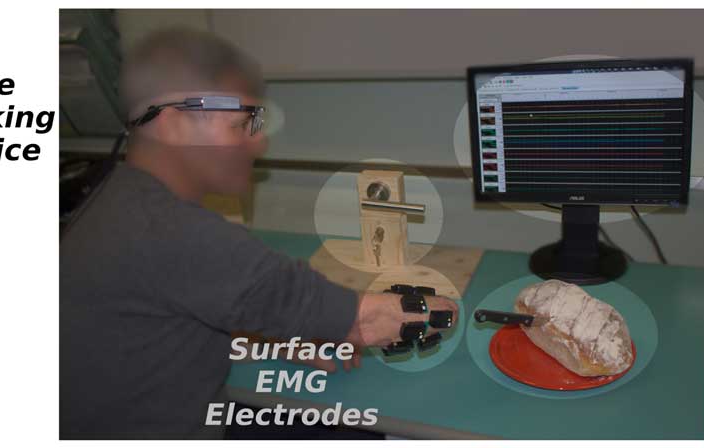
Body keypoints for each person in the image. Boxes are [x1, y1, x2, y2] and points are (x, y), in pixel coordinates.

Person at [60, 28, 458, 439]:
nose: (260, 142)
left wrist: (281, 341)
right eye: (241, 123)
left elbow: (179, 313)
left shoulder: (117, 198)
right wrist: (448, 310)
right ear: (175, 123)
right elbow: (368, 322)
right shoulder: (180, 235)